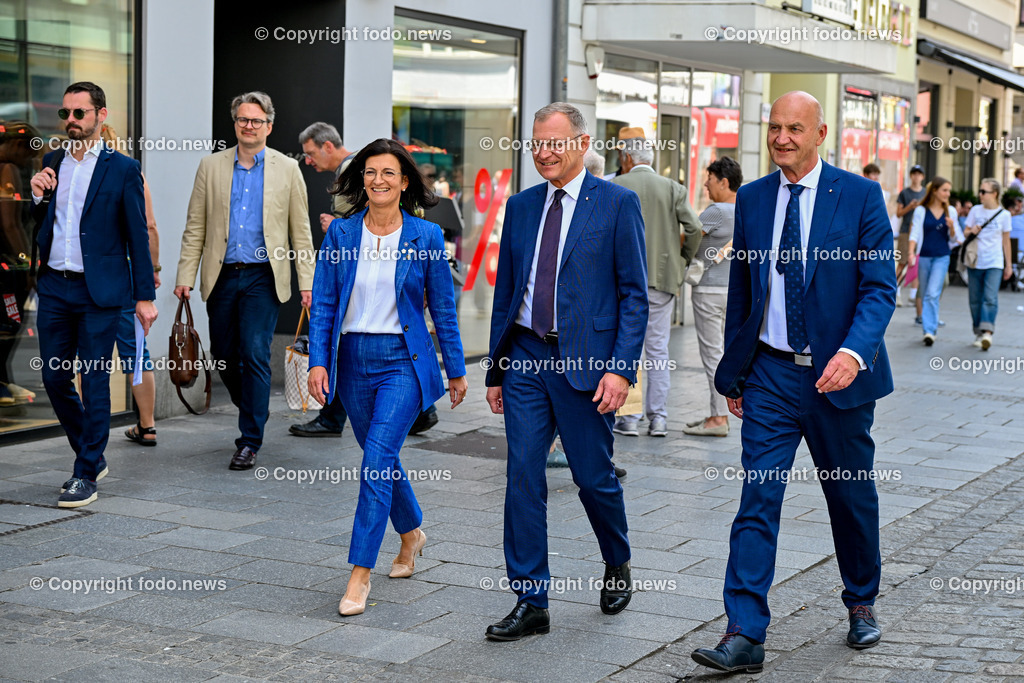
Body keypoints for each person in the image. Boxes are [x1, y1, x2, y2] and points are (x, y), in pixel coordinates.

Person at [690, 92, 896, 673]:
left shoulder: (859, 195)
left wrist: (854, 353)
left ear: (820, 134)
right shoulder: (754, 198)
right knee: (757, 498)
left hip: (838, 379)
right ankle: (744, 632)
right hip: (771, 376)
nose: (782, 138)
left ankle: (861, 601)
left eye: (794, 129)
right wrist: (735, 372)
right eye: (775, 127)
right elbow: (743, 291)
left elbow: (880, 288)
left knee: (849, 497)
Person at [484, 102, 648, 640]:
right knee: (523, 475)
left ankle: (617, 559)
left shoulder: (617, 203)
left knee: (593, 477)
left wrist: (621, 370)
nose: (544, 153)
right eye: (537, 144)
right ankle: (531, 599)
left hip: (586, 364)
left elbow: (634, 295)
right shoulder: (521, 205)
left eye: (554, 143)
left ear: (581, 143)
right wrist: (496, 370)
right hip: (526, 357)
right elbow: (507, 293)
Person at [307, 138, 467, 616]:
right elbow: (325, 303)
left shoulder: (426, 236)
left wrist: (456, 369)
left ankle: (360, 574)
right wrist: (319, 361)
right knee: (382, 457)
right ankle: (412, 533)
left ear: (404, 182)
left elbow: (443, 308)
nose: (378, 180)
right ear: (361, 180)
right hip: (353, 360)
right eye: (371, 172)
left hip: (403, 362)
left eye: (388, 173)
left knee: (375, 460)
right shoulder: (341, 234)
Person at [30, 81, 157, 508]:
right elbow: (43, 225)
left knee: (94, 378)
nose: (70, 120)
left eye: (79, 113)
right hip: (55, 286)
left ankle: (85, 473)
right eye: (65, 113)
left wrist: (143, 296)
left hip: (100, 291)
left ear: (101, 115)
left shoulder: (122, 169)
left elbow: (137, 235)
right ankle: (92, 450)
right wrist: (37, 197)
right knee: (53, 377)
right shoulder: (51, 161)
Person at [175, 91, 315, 470]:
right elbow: (195, 226)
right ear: (235, 123)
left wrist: (307, 284)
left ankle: (249, 440)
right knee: (223, 355)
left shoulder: (288, 169)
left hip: (263, 277)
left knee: (254, 352)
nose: (248, 126)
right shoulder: (211, 166)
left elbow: (301, 233)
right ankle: (254, 406)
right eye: (242, 119)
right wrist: (185, 275)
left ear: (269, 125)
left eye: (256, 120)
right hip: (221, 275)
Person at [611, 135, 701, 437]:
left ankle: (629, 418)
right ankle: (658, 418)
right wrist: (681, 259)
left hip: (623, 281)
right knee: (658, 349)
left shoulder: (617, 185)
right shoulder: (673, 188)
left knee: (628, 348)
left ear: (628, 159)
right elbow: (695, 228)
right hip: (662, 279)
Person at [98, 124, 161, 446]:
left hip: (94, 276)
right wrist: (153, 270)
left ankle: (90, 424)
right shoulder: (134, 175)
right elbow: (150, 226)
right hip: (128, 273)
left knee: (89, 353)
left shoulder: (87, 178)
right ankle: (147, 426)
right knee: (136, 352)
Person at [290, 121, 353, 438]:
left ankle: (330, 418)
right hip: (352, 274)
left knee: (336, 341)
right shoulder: (354, 168)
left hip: (350, 276)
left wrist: (336, 226)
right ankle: (423, 412)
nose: (308, 161)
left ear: (328, 146)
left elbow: (371, 220)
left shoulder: (352, 170)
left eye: (311, 153)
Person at [684, 156, 742, 437]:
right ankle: (717, 412)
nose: (706, 185)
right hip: (733, 291)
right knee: (726, 352)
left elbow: (689, 237)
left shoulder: (716, 211)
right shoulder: (745, 209)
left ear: (724, 182)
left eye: (710, 179)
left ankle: (718, 418)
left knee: (712, 355)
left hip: (708, 290)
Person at [908, 177, 962, 346]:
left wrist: (951, 227)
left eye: (949, 190)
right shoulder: (921, 210)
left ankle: (929, 331)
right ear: (935, 191)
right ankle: (929, 326)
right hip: (924, 256)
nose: (948, 194)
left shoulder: (950, 211)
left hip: (942, 257)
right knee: (925, 293)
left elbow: (955, 239)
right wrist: (910, 252)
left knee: (932, 293)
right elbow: (915, 233)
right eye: (945, 190)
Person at [962, 178, 1012, 350]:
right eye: (980, 191)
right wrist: (972, 230)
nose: (980, 194)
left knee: (990, 298)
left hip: (994, 262)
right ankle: (978, 331)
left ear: (995, 194)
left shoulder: (1004, 215)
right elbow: (965, 232)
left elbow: (1006, 242)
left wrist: (1008, 265)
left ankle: (987, 332)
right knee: (975, 299)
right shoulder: (975, 210)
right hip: (975, 260)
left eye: (984, 191)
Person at [895, 165, 926, 307]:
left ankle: (913, 295)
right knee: (903, 262)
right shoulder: (904, 193)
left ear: (922, 177)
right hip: (906, 231)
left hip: (921, 233)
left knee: (917, 264)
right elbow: (898, 213)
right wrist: (910, 207)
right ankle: (895, 291)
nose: (916, 176)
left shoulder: (926, 193)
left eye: (919, 174)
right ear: (910, 176)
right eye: (914, 174)